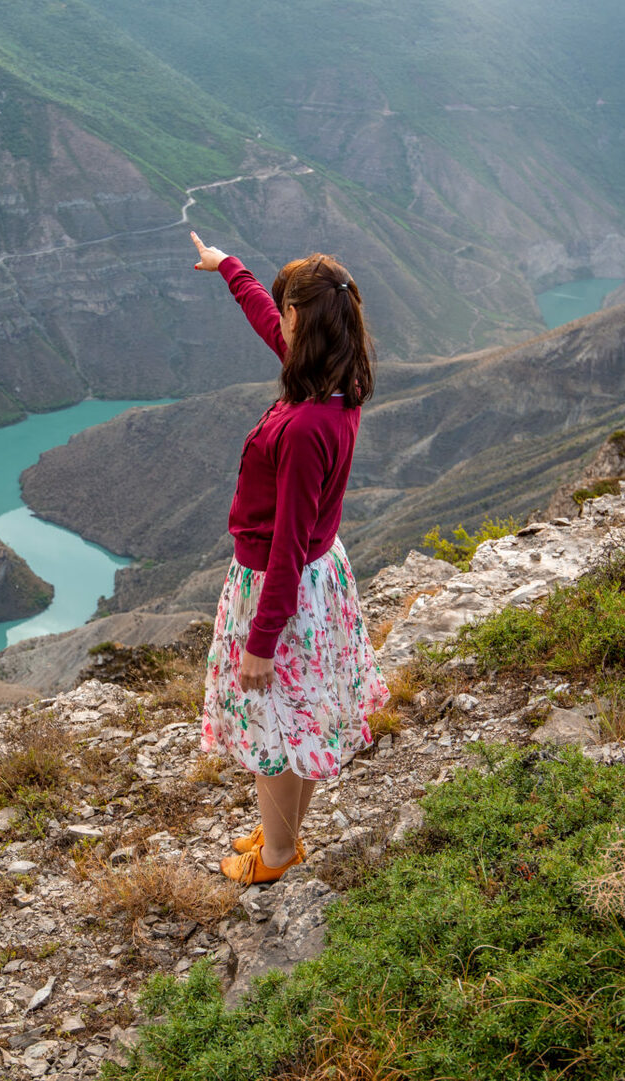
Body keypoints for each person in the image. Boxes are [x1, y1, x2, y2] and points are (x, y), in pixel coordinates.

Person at [189, 230, 390, 886]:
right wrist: (228, 268)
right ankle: (285, 832)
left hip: (285, 590)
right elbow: (263, 319)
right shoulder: (333, 380)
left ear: (303, 320)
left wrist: (261, 640)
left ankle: (277, 856)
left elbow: (286, 544)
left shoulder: (306, 427)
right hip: (313, 582)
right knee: (298, 716)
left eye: (288, 310)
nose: (280, 321)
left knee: (273, 728)